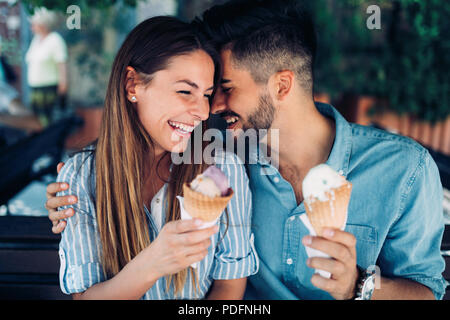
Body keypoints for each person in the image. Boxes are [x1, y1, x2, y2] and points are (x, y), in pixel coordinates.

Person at [46, 0, 447, 300]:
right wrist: (74, 191)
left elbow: (428, 292)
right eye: (204, 91)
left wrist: (360, 284)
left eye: (225, 89)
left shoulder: (405, 169)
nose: (210, 108)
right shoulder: (227, 164)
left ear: (282, 86)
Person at [49, 16, 257, 300]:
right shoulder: (81, 175)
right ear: (133, 84)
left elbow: (229, 286)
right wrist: (154, 261)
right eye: (185, 91)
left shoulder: (222, 169)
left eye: (206, 95)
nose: (203, 111)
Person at [25, 7, 68, 128]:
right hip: (35, 89)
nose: (32, 27)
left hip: (49, 89)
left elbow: (61, 64)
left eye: (34, 24)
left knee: (49, 122)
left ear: (43, 24)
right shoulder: (36, 40)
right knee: (37, 121)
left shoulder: (55, 40)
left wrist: (63, 86)